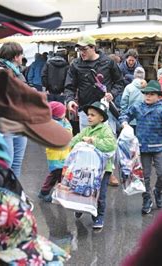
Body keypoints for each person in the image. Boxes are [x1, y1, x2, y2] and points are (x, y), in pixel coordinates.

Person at [64, 34, 124, 186]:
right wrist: (70, 100)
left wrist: (113, 93)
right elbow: (69, 86)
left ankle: (109, 172)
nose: (81, 53)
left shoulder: (108, 62)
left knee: (108, 142)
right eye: (79, 50)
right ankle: (90, 172)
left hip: (106, 109)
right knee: (87, 142)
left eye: (84, 49)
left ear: (93, 48)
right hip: (86, 109)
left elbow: (120, 82)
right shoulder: (75, 64)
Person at [119, 80, 162, 214]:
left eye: (152, 94)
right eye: (146, 94)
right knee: (144, 176)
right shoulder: (138, 106)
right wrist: (124, 123)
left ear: (159, 96)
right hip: (143, 147)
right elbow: (124, 114)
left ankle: (158, 191)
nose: (148, 96)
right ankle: (146, 199)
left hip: (159, 147)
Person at [70, 101, 117, 229]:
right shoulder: (86, 130)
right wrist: (69, 145)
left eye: (93, 115)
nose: (89, 117)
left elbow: (111, 145)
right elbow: (75, 140)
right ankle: (80, 207)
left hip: (102, 169)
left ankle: (98, 216)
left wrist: (93, 140)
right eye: (88, 115)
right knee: (81, 189)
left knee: (100, 194)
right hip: (86, 167)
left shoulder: (106, 130)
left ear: (101, 118)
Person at [0, 42, 28, 177]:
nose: (22, 57)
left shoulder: (17, 72)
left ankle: (15, 193)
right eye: (21, 54)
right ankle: (2, 193)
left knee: (17, 163)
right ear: (16, 56)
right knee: (6, 163)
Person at [38, 101, 72, 202]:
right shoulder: (55, 124)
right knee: (55, 175)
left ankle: (60, 193)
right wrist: (68, 124)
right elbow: (67, 132)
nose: (65, 113)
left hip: (61, 154)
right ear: (56, 114)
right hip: (57, 156)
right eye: (63, 112)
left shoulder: (57, 121)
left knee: (60, 174)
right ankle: (44, 192)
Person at [120, 67, 146, 131]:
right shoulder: (147, 88)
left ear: (134, 75)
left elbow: (123, 103)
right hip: (143, 120)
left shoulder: (128, 87)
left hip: (130, 120)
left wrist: (124, 116)